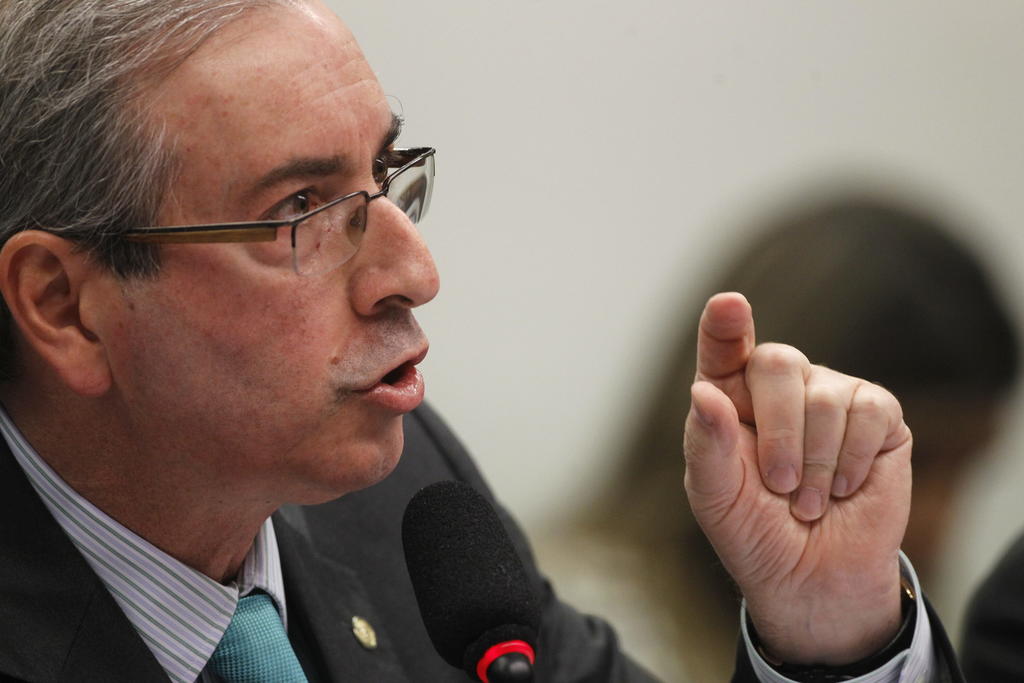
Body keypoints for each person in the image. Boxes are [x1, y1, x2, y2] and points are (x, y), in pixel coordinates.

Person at [0, 1, 957, 681]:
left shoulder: (402, 496)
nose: (415, 273)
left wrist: (830, 633)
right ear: (63, 306)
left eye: (385, 174)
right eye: (300, 209)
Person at [555, 197, 1018, 681]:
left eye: (968, 468)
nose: (939, 525)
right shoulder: (570, 637)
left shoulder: (924, 619)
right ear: (760, 415)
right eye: (919, 464)